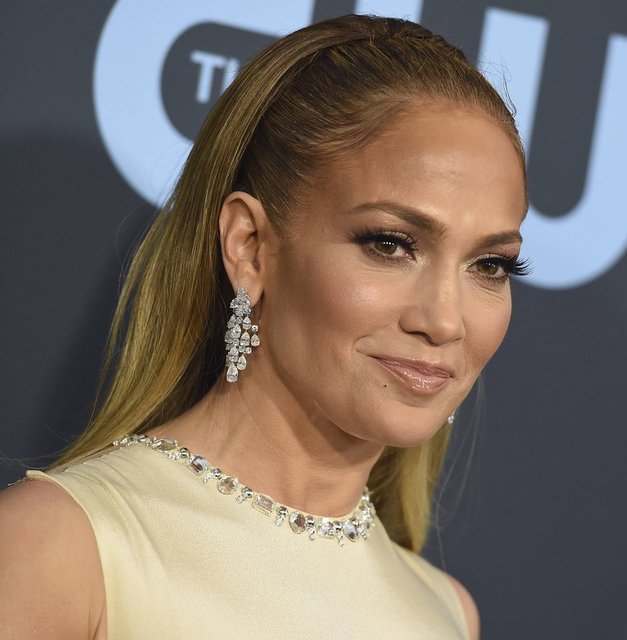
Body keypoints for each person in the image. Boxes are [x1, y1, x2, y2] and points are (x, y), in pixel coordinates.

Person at [0, 13, 528, 639]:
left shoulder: (447, 614)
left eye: (490, 265)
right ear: (249, 246)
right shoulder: (59, 550)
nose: (444, 320)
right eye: (389, 244)